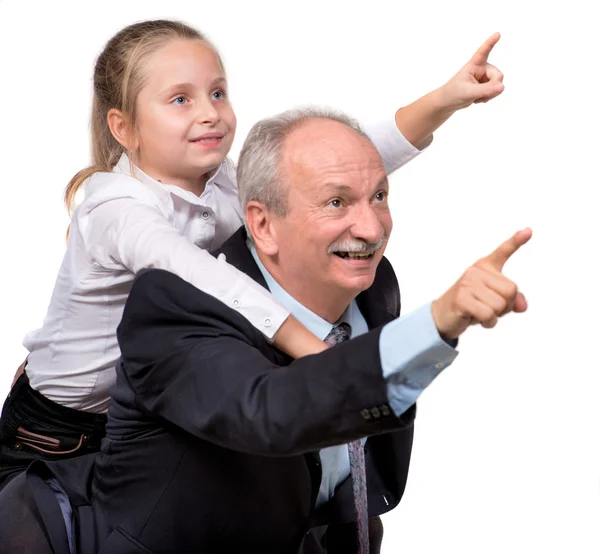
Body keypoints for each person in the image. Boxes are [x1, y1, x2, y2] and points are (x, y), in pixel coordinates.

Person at [0, 18, 505, 490]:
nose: (209, 112)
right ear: (124, 127)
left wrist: (445, 99)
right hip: (57, 429)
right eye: (180, 99)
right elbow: (210, 282)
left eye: (217, 92)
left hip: (139, 409)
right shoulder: (117, 211)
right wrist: (324, 355)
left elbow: (334, 171)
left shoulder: (221, 180)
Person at [0, 108, 530, 554]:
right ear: (262, 225)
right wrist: (435, 325)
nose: (372, 229)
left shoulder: (370, 286)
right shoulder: (176, 306)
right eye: (336, 202)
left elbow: (341, 455)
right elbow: (276, 410)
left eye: (380, 196)